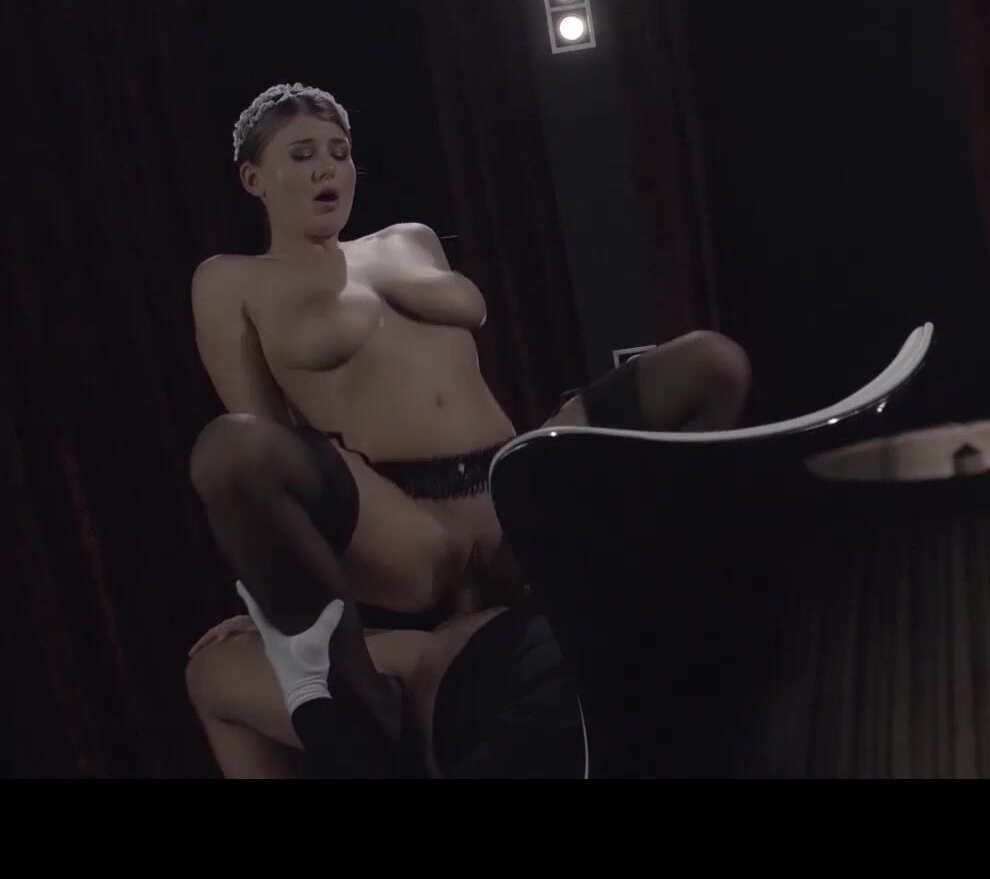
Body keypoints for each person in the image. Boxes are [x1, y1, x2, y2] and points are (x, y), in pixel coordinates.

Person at [184, 82, 750, 778]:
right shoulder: (231, 281)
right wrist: (278, 590)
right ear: (254, 179)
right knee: (235, 449)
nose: (327, 167)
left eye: (339, 151)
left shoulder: (411, 239)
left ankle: (677, 577)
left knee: (710, 365)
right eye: (301, 155)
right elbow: (267, 441)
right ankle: (345, 690)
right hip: (408, 529)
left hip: (516, 486)